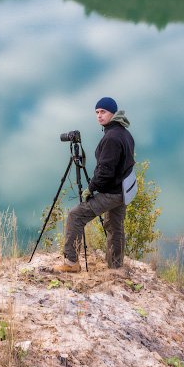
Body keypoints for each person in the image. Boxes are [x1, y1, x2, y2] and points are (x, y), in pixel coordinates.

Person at [54, 97, 135, 272]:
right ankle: (116, 266)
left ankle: (71, 263)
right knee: (115, 226)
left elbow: (105, 170)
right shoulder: (124, 133)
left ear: (113, 113)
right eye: (97, 112)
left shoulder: (112, 137)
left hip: (113, 192)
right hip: (124, 189)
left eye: (103, 112)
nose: (99, 115)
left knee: (75, 216)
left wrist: (91, 188)